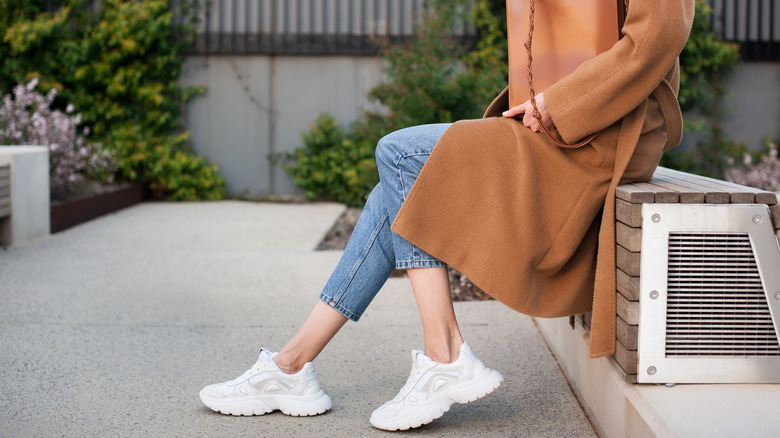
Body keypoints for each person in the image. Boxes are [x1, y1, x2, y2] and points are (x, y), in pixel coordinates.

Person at [199, 0, 695, 431]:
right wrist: (543, 103)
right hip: (559, 123)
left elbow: (658, 34)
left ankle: (445, 354)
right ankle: (291, 367)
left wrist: (557, 104)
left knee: (400, 154)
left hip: (602, 136)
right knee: (391, 195)